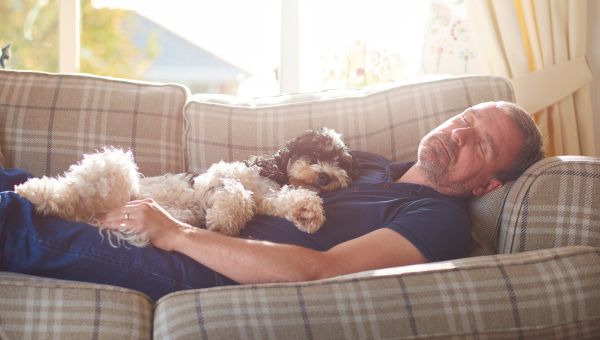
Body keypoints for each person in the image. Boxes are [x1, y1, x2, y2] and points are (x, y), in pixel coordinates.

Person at [0, 101, 544, 301]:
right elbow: (268, 175)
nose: (459, 133)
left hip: (194, 262)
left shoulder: (437, 218)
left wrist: (176, 232)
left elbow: (320, 271)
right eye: (466, 119)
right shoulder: (374, 162)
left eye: (483, 144)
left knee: (16, 221)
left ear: (487, 186)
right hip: (186, 204)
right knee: (22, 182)